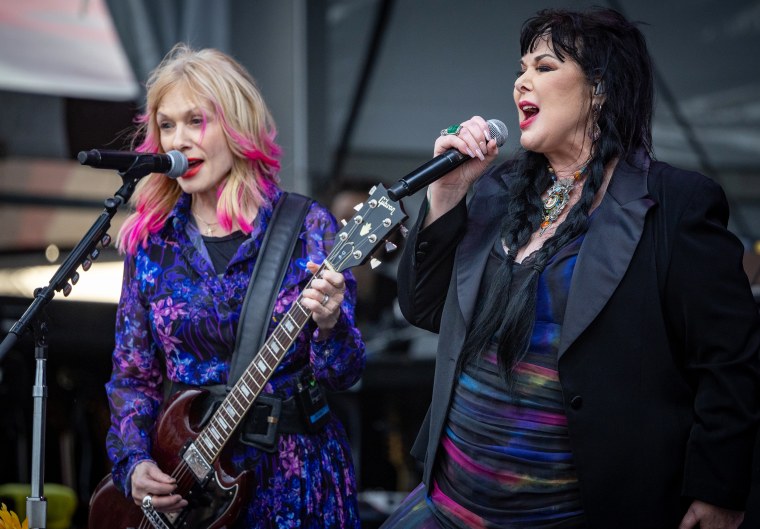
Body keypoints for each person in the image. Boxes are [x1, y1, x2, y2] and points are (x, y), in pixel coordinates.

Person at [382, 8, 760, 529]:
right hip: (446, 504)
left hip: (569, 512)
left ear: (599, 89)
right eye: (520, 68)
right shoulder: (495, 191)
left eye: (544, 67)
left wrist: (719, 488)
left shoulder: (675, 204)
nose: (521, 81)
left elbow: (732, 363)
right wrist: (447, 193)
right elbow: (424, 309)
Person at [104, 43, 364, 528]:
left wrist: (330, 325)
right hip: (190, 492)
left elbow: (344, 374)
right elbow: (133, 376)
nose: (178, 140)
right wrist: (134, 463)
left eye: (196, 121)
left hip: (296, 479)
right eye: (167, 125)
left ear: (236, 126)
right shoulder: (152, 243)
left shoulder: (307, 228)